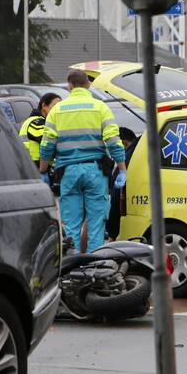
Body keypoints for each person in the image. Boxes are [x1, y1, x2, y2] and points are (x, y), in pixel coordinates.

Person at [39, 69, 126, 252]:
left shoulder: (57, 110)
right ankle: (96, 268)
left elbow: (46, 145)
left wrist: (43, 171)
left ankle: (73, 270)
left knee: (71, 227)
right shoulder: (100, 107)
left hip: (68, 173)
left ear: (69, 86)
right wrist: (122, 168)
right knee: (96, 225)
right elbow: (113, 141)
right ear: (88, 85)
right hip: (95, 172)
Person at [18, 92, 61, 166]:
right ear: (44, 106)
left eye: (60, 107)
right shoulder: (36, 122)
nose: (58, 110)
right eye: (55, 106)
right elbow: (49, 145)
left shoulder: (44, 122)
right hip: (34, 167)